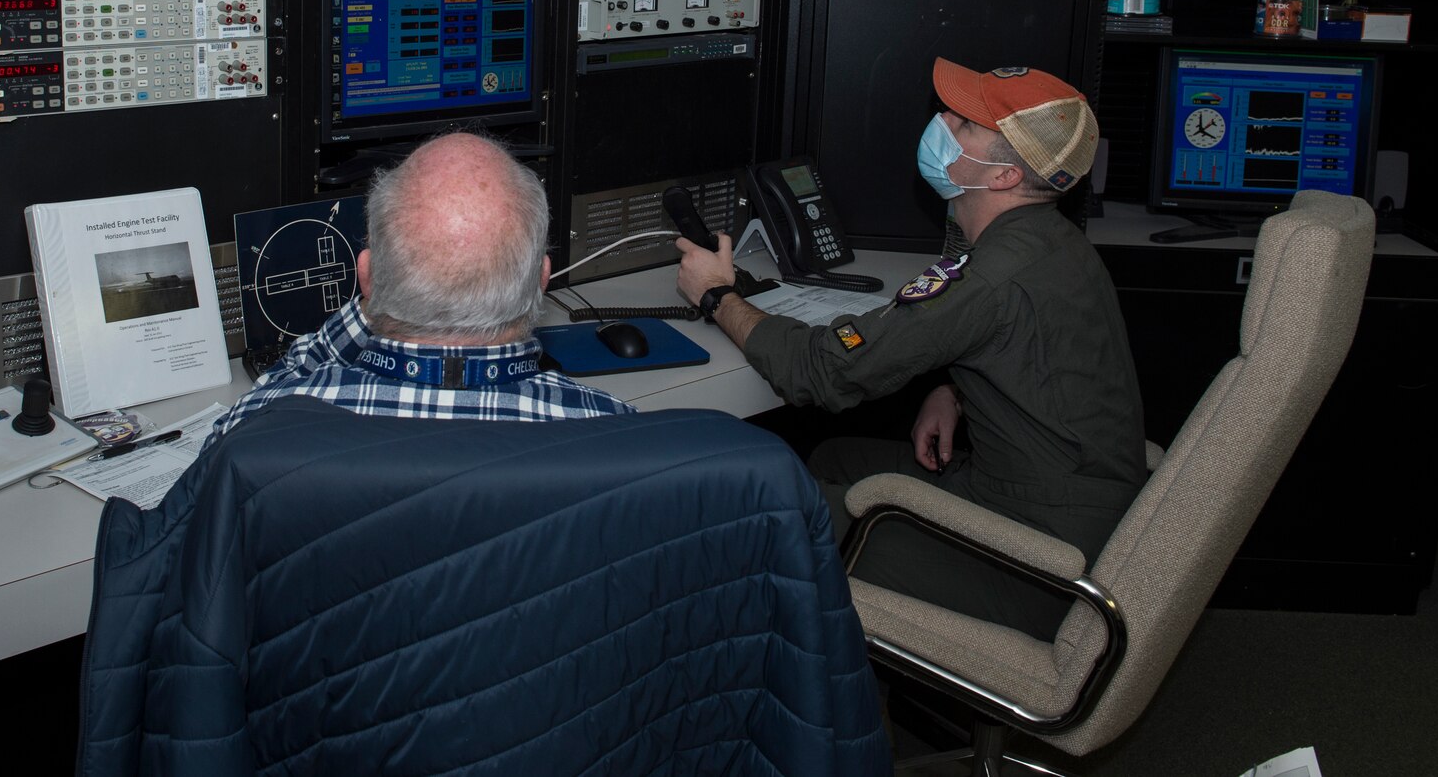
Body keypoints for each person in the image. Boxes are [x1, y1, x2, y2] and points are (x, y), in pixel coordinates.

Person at [676, 58, 1146, 638]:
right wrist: (951, 386)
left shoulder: (991, 278)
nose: (942, 121)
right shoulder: (1053, 241)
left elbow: (819, 372)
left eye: (965, 124)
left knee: (751, 512)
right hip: (1075, 502)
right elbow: (1029, 352)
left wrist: (717, 294)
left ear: (1000, 178)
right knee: (832, 459)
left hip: (1037, 559)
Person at [202, 132, 632, 452]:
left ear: (366, 279)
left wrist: (372, 300)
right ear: (541, 281)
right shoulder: (614, 433)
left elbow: (275, 388)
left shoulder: (258, 434)